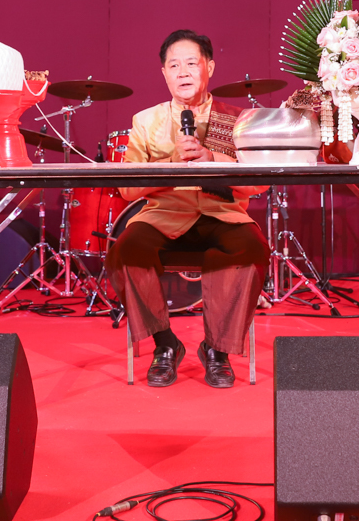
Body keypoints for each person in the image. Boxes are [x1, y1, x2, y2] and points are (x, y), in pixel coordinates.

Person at [106, 29, 269, 388]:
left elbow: (259, 184)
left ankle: (217, 350)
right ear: (164, 73)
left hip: (222, 215)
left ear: (209, 67)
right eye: (174, 65)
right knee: (124, 252)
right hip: (164, 217)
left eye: (191, 63)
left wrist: (212, 159)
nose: (183, 72)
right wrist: (171, 165)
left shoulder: (236, 119)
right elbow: (127, 189)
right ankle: (165, 344)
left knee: (252, 250)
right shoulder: (145, 121)